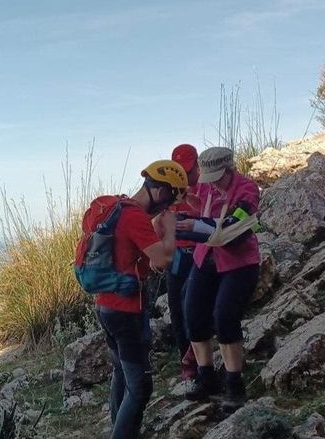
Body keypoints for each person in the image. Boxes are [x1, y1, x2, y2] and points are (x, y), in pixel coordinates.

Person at [93, 160, 188, 439]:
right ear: (160, 192)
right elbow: (163, 259)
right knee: (140, 386)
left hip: (105, 305)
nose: (167, 207)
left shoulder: (118, 208)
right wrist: (169, 229)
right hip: (126, 311)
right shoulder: (134, 217)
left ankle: (121, 429)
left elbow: (143, 259)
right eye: (170, 199)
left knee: (121, 372)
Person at [177, 147, 260, 413]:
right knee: (193, 313)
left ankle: (234, 384)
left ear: (229, 169)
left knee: (224, 316)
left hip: (239, 262)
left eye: (216, 177)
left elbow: (234, 227)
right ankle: (206, 377)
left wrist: (197, 225)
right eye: (207, 177)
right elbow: (200, 205)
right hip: (206, 258)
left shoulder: (247, 189)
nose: (211, 183)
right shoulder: (207, 188)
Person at [167, 144, 201, 380]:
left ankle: (199, 358)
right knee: (176, 310)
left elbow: (216, 217)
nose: (185, 177)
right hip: (176, 257)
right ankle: (186, 361)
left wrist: (194, 214)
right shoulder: (170, 190)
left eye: (188, 171)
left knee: (194, 307)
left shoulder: (207, 187)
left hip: (200, 255)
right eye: (180, 171)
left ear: (197, 165)